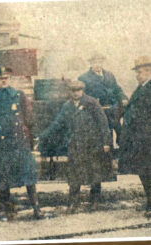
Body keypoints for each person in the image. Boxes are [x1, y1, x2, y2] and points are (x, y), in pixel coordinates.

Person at [39, 80, 112, 213]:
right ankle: (73, 202)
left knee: (94, 172)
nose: (76, 93)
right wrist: (44, 135)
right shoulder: (67, 106)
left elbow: (103, 123)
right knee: (73, 174)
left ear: (82, 90)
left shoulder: (92, 103)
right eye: (73, 91)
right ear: (70, 92)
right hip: (75, 144)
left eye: (78, 90)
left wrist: (106, 142)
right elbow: (58, 123)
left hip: (92, 144)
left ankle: (95, 201)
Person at [0, 67, 42, 221]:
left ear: (10, 79)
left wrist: (32, 139)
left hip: (19, 142)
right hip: (3, 144)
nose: (4, 81)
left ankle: (36, 208)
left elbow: (29, 119)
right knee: (3, 177)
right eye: (1, 78)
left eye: (6, 78)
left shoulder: (19, 96)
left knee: (28, 175)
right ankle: (4, 210)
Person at [119, 56, 151, 218]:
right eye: (137, 73)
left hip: (147, 138)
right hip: (140, 139)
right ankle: (149, 202)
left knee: (148, 171)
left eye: (141, 72)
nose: (138, 76)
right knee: (144, 171)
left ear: (149, 72)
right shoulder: (140, 88)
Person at [78, 52, 128, 147]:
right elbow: (83, 96)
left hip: (113, 108)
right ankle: (108, 156)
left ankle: (122, 153)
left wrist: (123, 98)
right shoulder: (83, 78)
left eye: (100, 62)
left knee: (120, 131)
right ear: (90, 63)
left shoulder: (109, 75)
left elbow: (117, 89)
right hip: (97, 110)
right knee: (105, 133)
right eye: (95, 62)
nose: (98, 64)